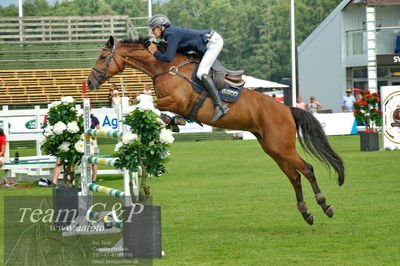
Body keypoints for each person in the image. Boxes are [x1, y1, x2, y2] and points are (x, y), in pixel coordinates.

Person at [147, 14, 228, 123]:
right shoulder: (169, 34)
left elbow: (168, 58)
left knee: (201, 73)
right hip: (206, 43)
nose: (152, 32)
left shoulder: (170, 34)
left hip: (213, 42)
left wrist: (155, 52)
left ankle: (220, 105)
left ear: (162, 27)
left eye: (153, 29)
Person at [51, 113, 100, 186]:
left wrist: (94, 136)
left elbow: (98, 129)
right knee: (72, 161)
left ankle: (93, 180)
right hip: (79, 140)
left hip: (91, 141)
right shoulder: (78, 118)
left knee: (93, 162)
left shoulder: (94, 118)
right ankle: (68, 181)